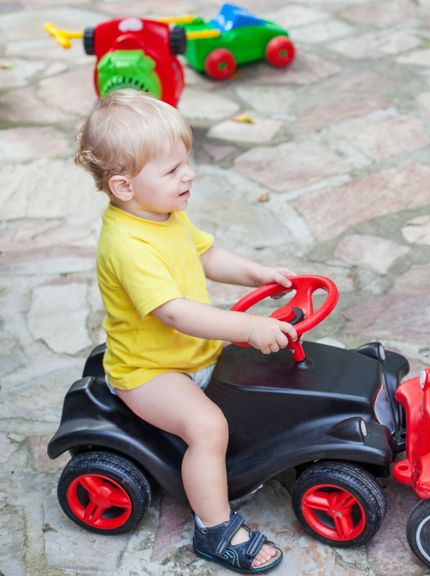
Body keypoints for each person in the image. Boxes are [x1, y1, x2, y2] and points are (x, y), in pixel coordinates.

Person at [75, 89, 297, 574]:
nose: (188, 175)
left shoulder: (164, 214)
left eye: (187, 162)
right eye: (172, 169)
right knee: (207, 428)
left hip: (193, 354)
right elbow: (174, 312)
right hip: (150, 371)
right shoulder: (128, 244)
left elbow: (206, 255)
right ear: (124, 186)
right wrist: (246, 327)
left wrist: (256, 273)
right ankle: (215, 529)